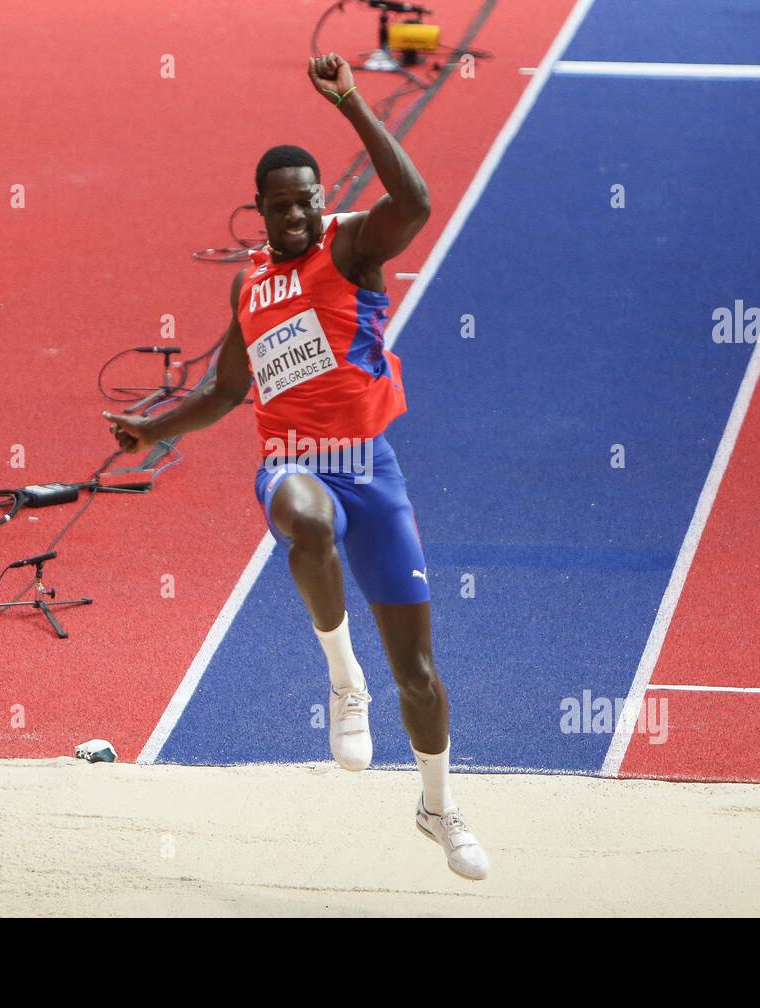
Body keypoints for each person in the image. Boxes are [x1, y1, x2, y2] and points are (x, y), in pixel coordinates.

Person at [106, 53, 488, 880]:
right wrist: (154, 433)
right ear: (261, 212)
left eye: (306, 200)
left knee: (420, 675)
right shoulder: (249, 289)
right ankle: (343, 681)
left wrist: (351, 101)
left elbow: (416, 202)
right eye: (279, 206)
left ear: (323, 201)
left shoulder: (351, 251)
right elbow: (224, 393)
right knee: (309, 525)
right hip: (290, 465)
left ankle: (437, 807)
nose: (294, 215)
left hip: (372, 469)